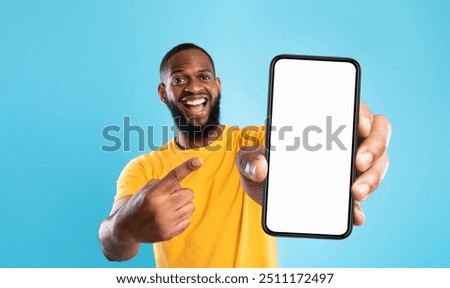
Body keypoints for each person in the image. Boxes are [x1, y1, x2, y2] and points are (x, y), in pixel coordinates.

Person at [98, 43, 391, 267]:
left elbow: (309, 141)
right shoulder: (143, 168)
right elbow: (112, 247)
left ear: (218, 85)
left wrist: (347, 137)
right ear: (163, 93)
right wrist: (127, 228)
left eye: (204, 76)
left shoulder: (257, 141)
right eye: (179, 79)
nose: (194, 87)